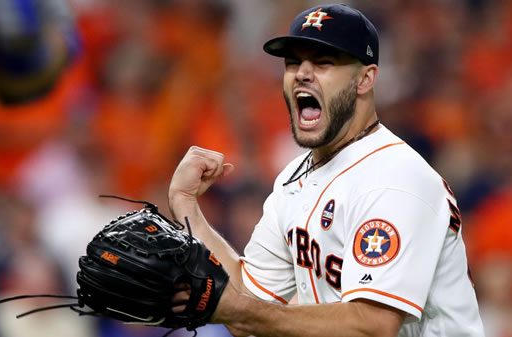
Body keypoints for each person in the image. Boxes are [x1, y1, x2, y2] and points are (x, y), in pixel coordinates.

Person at [168, 3, 485, 337]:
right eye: (293, 63)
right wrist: (187, 206)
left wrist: (239, 309)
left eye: (323, 62)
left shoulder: (396, 179)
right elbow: (248, 304)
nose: (302, 73)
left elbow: (372, 326)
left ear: (365, 78)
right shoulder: (294, 178)